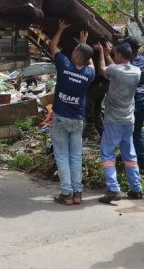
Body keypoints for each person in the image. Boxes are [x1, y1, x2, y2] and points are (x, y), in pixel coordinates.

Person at [49, 20, 95, 206]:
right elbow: (89, 62)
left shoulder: (64, 66)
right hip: (77, 120)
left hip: (61, 119)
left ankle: (66, 194)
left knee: (61, 155)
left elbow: (52, 45)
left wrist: (60, 29)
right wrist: (84, 45)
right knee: (76, 156)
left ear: (75, 54)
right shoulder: (88, 75)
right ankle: (77, 193)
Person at [93, 41, 142, 203]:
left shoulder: (115, 70)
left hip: (113, 120)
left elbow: (102, 70)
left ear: (120, 55)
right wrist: (109, 54)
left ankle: (113, 188)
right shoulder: (136, 71)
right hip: (129, 120)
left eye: (115, 54)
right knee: (129, 154)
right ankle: (136, 188)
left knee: (107, 153)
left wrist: (101, 52)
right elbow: (116, 70)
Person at [121, 36, 144, 171]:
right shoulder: (143, 60)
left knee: (134, 132)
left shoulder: (129, 65)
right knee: (134, 131)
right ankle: (126, 156)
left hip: (135, 103)